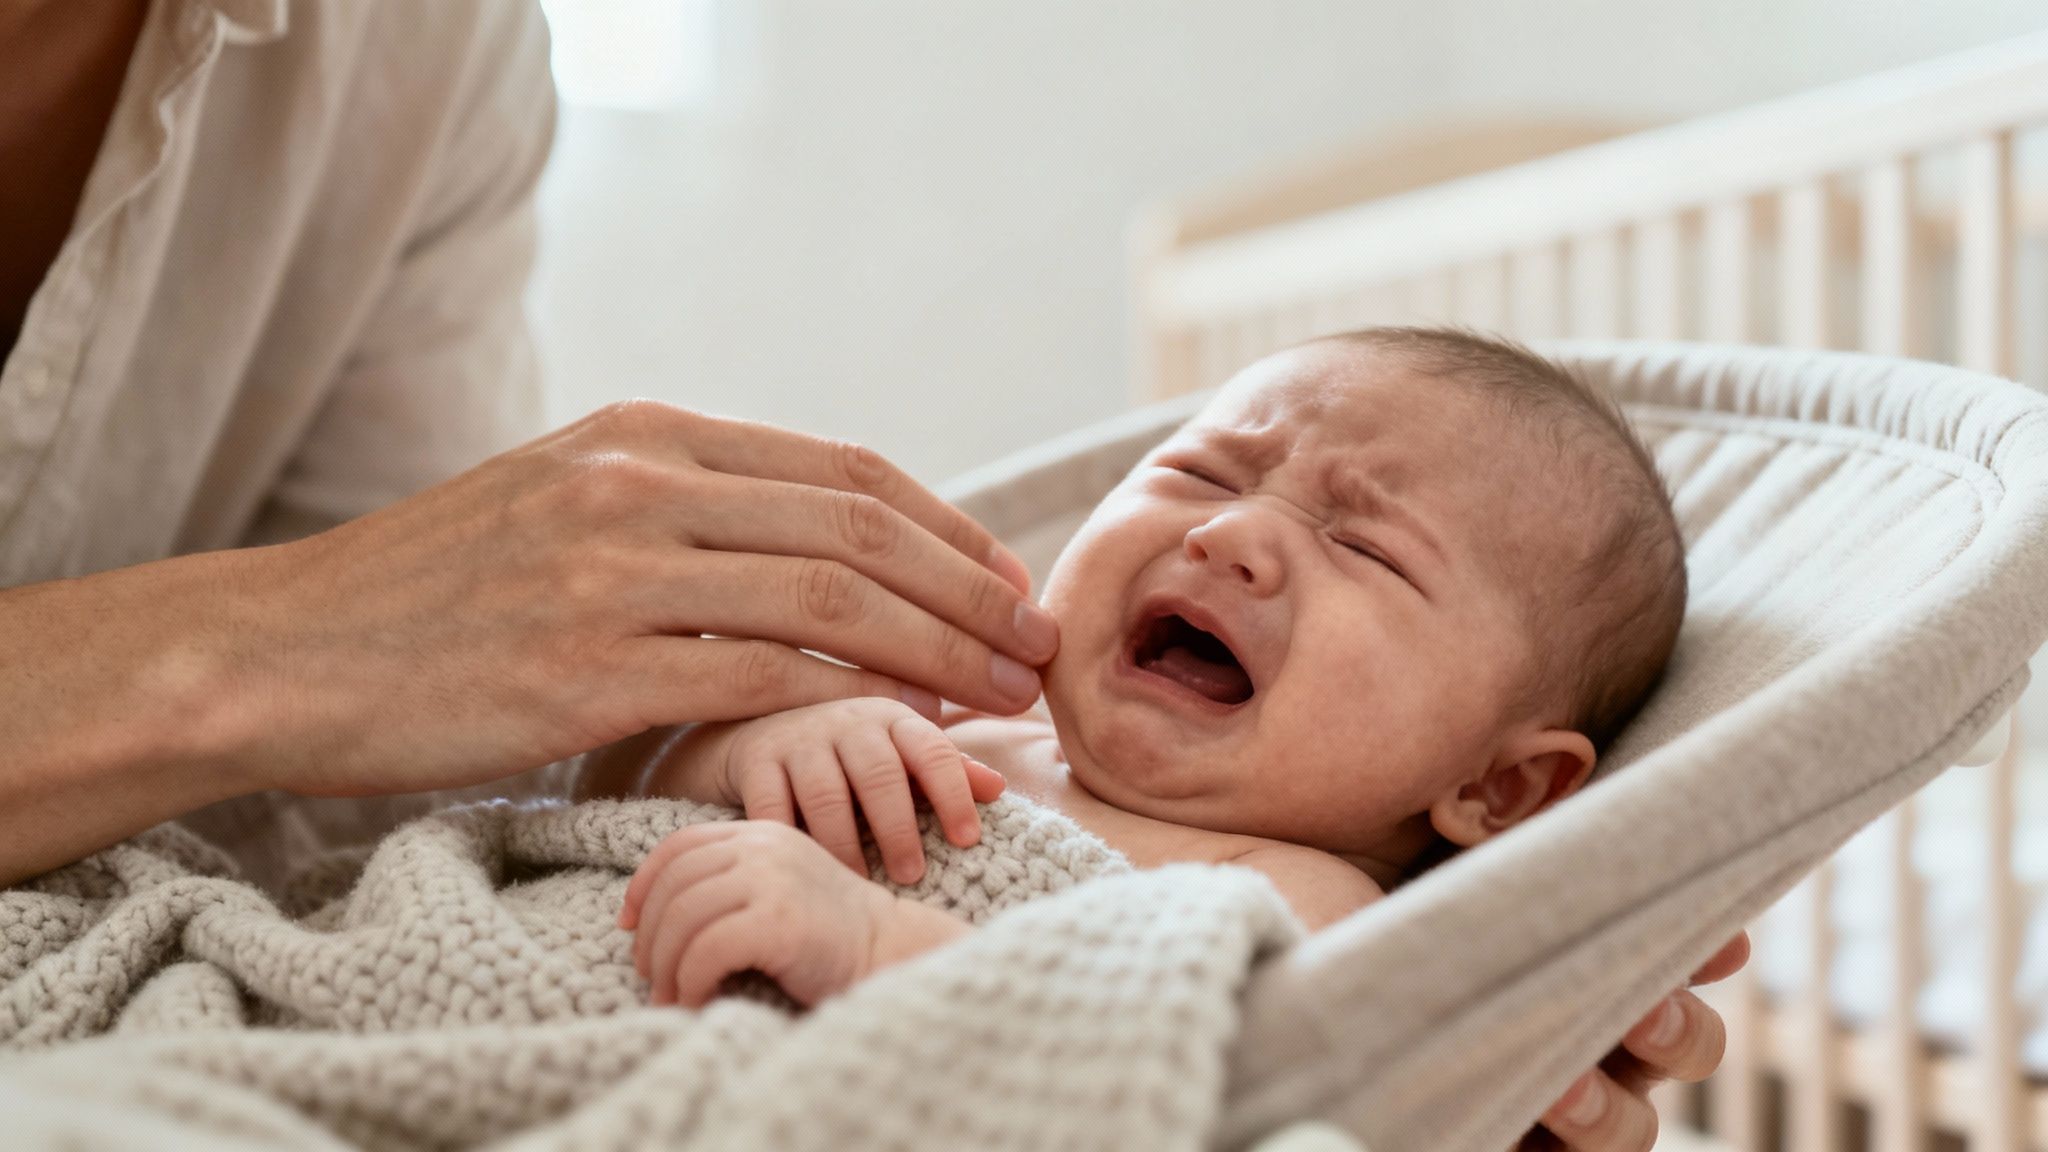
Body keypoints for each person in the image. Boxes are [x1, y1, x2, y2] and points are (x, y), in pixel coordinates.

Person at [0, 3, 1737, 1148]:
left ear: (1503, 787)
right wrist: (733, 755)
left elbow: (1148, 1059)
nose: (1231, 533)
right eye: (1202, 470)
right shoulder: (922, 724)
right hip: (397, 976)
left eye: (1362, 545)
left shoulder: (1298, 901)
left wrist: (871, 939)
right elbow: (570, 806)